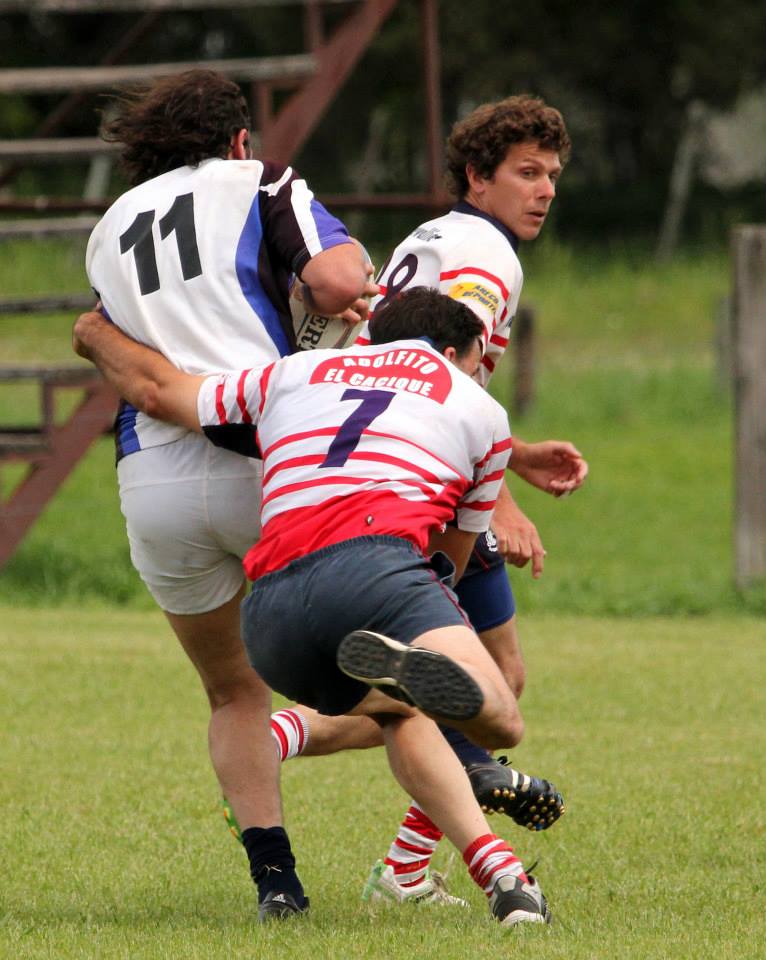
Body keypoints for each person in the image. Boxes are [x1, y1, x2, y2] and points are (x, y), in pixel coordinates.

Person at [73, 287, 557, 925]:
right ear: (453, 353)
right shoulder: (478, 408)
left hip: (270, 607)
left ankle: (505, 882)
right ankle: (429, 703)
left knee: (401, 709)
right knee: (501, 717)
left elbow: (161, 390)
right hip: (376, 564)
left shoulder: (295, 371)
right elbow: (451, 564)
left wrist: (95, 335)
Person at [270, 95, 587, 900]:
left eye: (551, 174)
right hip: (431, 487)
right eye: (526, 172)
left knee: (464, 682)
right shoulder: (489, 255)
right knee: (483, 683)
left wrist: (512, 459)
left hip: (374, 467)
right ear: (478, 177)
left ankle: (403, 861)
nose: (544, 189)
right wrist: (499, 499)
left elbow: (402, 370)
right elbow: (449, 373)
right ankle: (292, 737)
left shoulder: (431, 238)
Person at [82, 68, 374, 920]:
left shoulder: (110, 226)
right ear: (239, 139)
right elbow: (335, 283)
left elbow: (114, 340)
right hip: (266, 455)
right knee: (409, 656)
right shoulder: (264, 180)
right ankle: (472, 804)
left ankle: (276, 883)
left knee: (233, 691)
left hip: (156, 475)